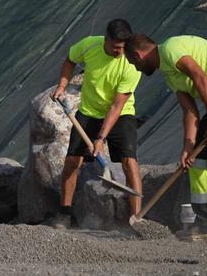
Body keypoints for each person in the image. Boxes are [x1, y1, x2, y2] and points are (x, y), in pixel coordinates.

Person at [124, 34, 207, 244]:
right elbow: (189, 111)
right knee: (198, 159)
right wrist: (188, 146)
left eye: (133, 63)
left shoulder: (170, 48)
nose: (136, 68)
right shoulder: (169, 74)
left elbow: (201, 78)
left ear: (138, 55)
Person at [48, 19, 143, 229]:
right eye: (116, 47)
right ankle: (64, 213)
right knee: (73, 161)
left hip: (121, 113)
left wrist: (100, 139)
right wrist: (62, 85)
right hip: (89, 111)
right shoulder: (90, 44)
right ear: (106, 40)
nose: (120, 52)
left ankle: (137, 218)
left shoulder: (132, 63)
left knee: (130, 162)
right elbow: (70, 60)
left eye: (123, 47)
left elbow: (116, 107)